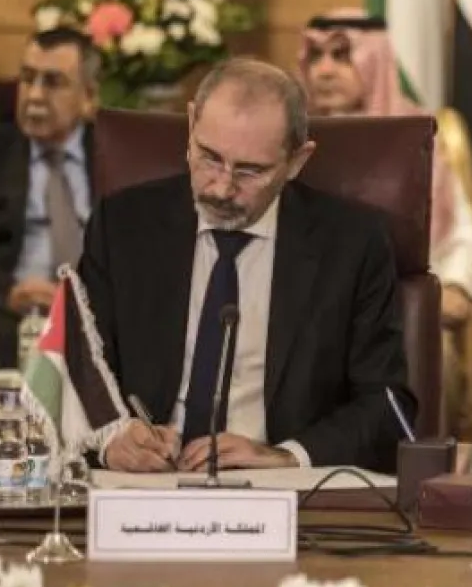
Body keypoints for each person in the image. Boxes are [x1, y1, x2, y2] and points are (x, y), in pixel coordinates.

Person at [81, 58, 413, 473]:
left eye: (250, 170)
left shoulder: (352, 244)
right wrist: (111, 438)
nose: (221, 187)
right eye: (209, 157)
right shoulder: (123, 226)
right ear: (190, 125)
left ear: (297, 161)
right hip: (145, 482)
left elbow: (387, 405)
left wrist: (288, 456)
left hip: (280, 493)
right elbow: (78, 369)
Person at [298, 10, 472, 329]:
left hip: (399, 307)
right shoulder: (288, 137)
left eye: (342, 56)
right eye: (316, 56)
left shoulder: (416, 135)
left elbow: (463, 235)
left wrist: (455, 286)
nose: (324, 71)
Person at [0, 29, 99, 367]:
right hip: (10, 319)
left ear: (88, 97)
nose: (34, 95)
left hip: (96, 322)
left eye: (53, 82)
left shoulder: (117, 159)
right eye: (27, 78)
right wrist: (6, 292)